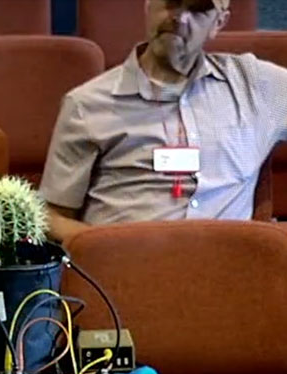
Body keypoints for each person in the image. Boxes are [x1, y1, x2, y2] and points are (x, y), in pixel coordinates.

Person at [39, 0, 287, 242]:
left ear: (218, 23)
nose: (180, 17)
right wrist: (104, 248)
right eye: (172, 2)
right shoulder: (88, 104)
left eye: (198, 9)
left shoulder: (255, 86)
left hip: (224, 270)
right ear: (148, 6)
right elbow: (52, 215)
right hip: (125, 272)